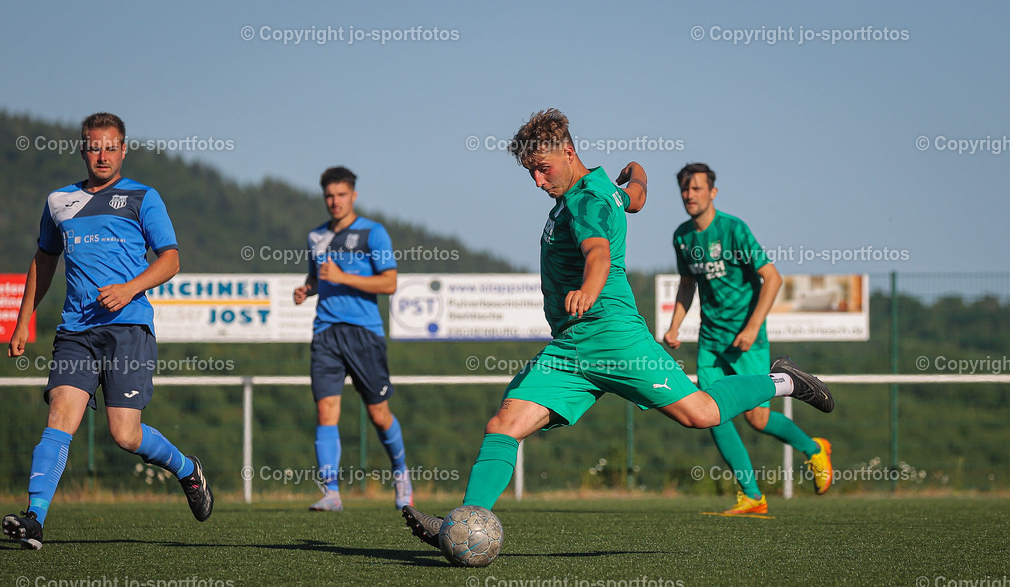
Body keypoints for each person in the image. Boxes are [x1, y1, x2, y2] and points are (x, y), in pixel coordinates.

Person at [402, 109, 834, 548]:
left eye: (542, 168)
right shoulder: (604, 189)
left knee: (701, 414)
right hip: (570, 348)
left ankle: (784, 380)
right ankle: (464, 522)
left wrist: (590, 288)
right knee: (502, 426)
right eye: (530, 171)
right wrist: (638, 174)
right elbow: (638, 198)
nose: (536, 180)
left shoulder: (586, 201)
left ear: (568, 152)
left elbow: (598, 254)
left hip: (614, 337)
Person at [2, 112, 213, 550]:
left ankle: (187, 470)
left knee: (124, 435)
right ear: (82, 148)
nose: (102, 154)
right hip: (76, 332)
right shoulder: (59, 201)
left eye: (110, 146)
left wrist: (131, 288)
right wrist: (23, 319)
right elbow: (44, 260)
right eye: (94, 146)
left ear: (123, 149)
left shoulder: (142, 197)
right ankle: (34, 518)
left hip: (128, 330)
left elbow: (171, 260)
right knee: (60, 414)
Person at [665, 163, 833, 515]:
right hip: (711, 341)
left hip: (747, 338)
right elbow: (687, 284)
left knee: (757, 419)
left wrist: (753, 326)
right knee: (711, 412)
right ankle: (752, 495)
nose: (689, 195)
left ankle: (814, 449)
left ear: (712, 192)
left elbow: (772, 278)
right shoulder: (682, 237)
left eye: (696, 188)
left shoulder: (733, 230)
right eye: (684, 189)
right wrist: (674, 326)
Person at [293, 166, 412, 511]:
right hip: (325, 334)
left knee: (378, 414)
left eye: (341, 195)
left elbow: (389, 283)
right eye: (329, 195)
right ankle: (331, 492)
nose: (334, 201)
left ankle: (402, 475)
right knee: (326, 411)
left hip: (364, 334)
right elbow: (317, 277)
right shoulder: (316, 236)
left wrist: (344, 277)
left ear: (353, 196)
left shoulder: (373, 233)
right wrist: (307, 289)